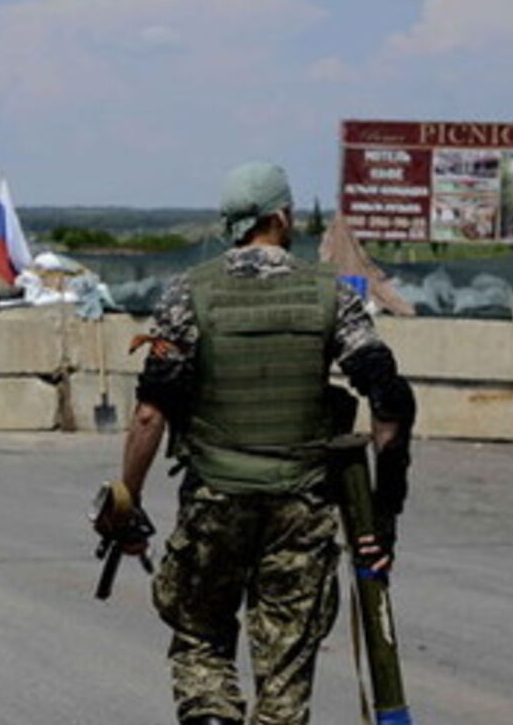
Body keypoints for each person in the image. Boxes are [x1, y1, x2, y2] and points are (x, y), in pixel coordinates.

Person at [104, 162, 415, 725]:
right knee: (286, 664)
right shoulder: (332, 296)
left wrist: (126, 501)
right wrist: (382, 520)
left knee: (200, 638)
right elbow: (391, 403)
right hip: (301, 508)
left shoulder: (189, 294)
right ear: (282, 216)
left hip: (215, 501)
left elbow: (150, 414)